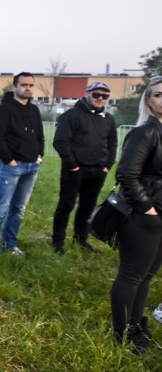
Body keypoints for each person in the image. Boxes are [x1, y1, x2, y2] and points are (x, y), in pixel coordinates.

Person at [111, 76, 162, 354]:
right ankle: (122, 333)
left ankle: (135, 323)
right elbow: (127, 175)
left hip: (159, 216)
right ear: (149, 101)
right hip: (144, 218)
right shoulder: (145, 132)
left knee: (147, 277)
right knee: (131, 277)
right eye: (159, 95)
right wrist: (148, 208)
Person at [0, 72, 44, 255]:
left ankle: (9, 245)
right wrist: (9, 160)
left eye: (31, 85)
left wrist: (39, 155)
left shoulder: (34, 110)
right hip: (11, 167)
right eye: (24, 85)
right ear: (14, 87)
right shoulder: (4, 110)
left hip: (32, 167)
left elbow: (40, 136)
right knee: (0, 208)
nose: (28, 88)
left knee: (18, 209)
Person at [51, 81, 117, 254]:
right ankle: (57, 243)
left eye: (105, 96)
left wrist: (107, 165)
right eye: (96, 95)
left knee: (87, 207)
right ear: (87, 94)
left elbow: (113, 144)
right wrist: (73, 166)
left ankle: (81, 239)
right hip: (75, 170)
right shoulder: (72, 115)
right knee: (66, 205)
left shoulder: (109, 119)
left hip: (98, 171)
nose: (100, 99)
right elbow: (60, 141)